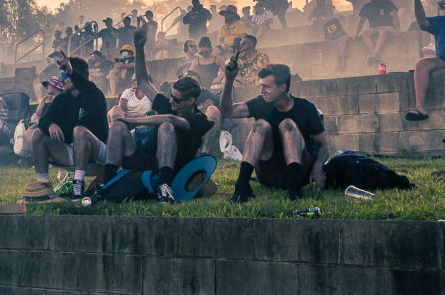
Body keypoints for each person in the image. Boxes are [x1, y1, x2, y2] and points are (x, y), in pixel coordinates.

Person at [102, 32, 216, 202]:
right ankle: (108, 182)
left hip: (174, 170)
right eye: (171, 95)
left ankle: (164, 186)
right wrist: (139, 48)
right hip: (144, 164)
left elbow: (170, 120)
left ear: (191, 100)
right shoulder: (169, 104)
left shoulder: (200, 120)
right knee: (118, 126)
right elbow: (143, 81)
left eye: (177, 99)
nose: (171, 101)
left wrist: (132, 120)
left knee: (166, 126)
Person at [221, 62, 328, 202]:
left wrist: (318, 166)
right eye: (261, 85)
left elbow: (323, 145)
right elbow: (226, 111)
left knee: (287, 124)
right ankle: (241, 186)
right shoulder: (259, 103)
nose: (261, 91)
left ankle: (294, 191)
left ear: (282, 87)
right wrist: (229, 79)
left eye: (266, 86)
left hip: (299, 173)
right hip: (269, 173)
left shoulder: (306, 108)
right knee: (260, 125)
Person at [23, 54, 109, 201]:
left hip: (98, 151)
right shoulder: (62, 98)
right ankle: (43, 186)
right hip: (73, 150)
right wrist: (51, 124)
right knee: (37, 134)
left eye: (65, 74)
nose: (61, 78)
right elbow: (44, 119)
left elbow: (86, 86)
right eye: (61, 74)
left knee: (79, 130)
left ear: (76, 75)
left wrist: (71, 71)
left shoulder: (94, 94)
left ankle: (78, 184)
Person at [353, 0, 401, 67]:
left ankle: (373, 56)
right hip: (373, 28)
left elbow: (395, 15)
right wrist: (356, 34)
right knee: (365, 33)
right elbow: (361, 21)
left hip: (387, 26)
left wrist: (397, 29)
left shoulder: (388, 3)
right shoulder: (367, 6)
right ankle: (375, 55)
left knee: (382, 31)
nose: (371, 0)